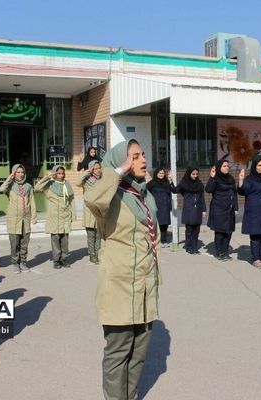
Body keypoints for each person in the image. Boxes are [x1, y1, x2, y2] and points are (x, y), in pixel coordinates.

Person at [84, 138, 160, 400]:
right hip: (119, 282)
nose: (142, 160)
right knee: (118, 351)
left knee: (139, 351)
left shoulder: (144, 194)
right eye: (134, 156)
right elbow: (91, 199)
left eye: (142, 155)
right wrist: (116, 173)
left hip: (144, 284)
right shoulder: (110, 195)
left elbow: (153, 238)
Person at [35, 165, 75, 269]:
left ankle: (64, 259)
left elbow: (71, 200)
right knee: (55, 239)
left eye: (62, 173)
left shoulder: (67, 184)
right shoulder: (50, 184)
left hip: (65, 215)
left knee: (65, 239)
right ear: (54, 173)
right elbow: (37, 187)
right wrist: (47, 177)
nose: (61, 175)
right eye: (58, 173)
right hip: (54, 216)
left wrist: (73, 214)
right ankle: (56, 260)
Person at [0, 164, 37, 273]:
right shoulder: (10, 186)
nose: (20, 174)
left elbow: (32, 202)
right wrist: (9, 179)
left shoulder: (28, 187)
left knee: (25, 242)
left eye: (22, 172)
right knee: (14, 242)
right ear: (14, 173)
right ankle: (15, 263)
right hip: (14, 219)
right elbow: (1, 189)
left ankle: (23, 262)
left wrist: (34, 216)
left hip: (26, 218)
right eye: (18, 172)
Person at [205, 159, 238, 261]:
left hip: (230, 209)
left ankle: (225, 252)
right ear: (219, 167)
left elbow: (234, 194)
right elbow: (208, 190)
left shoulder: (231, 179)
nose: (227, 167)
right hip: (218, 209)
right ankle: (219, 252)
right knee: (220, 232)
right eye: (224, 166)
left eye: (228, 166)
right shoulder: (215, 179)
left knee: (228, 231)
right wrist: (212, 177)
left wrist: (236, 207)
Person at [75, 160, 102, 264]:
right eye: (96, 168)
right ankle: (92, 254)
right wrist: (87, 172)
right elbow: (77, 183)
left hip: (99, 210)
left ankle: (98, 253)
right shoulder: (87, 180)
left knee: (99, 234)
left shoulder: (102, 180)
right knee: (91, 234)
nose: (98, 170)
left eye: (99, 168)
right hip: (89, 210)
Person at [176, 166, 206, 254]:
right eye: (193, 174)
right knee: (189, 230)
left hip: (198, 210)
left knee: (196, 230)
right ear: (189, 174)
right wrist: (170, 181)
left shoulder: (199, 184)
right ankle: (188, 247)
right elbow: (175, 190)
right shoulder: (184, 183)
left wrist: (204, 209)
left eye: (197, 174)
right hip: (188, 209)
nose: (195, 176)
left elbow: (202, 197)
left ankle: (195, 247)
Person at [147, 166, 176, 247]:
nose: (161, 175)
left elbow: (174, 191)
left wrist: (171, 181)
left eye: (163, 173)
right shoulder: (152, 183)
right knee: (156, 224)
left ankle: (163, 240)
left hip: (165, 207)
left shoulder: (166, 182)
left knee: (164, 225)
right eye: (160, 173)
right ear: (156, 174)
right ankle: (156, 240)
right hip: (156, 207)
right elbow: (145, 191)